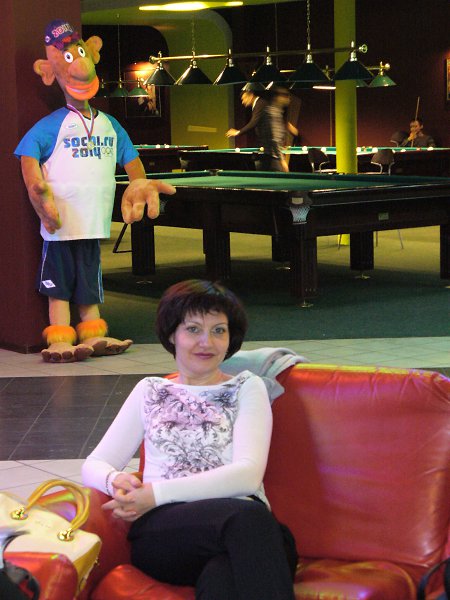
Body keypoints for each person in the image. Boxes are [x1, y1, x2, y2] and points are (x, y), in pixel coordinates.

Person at [82, 279, 298, 599]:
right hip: (167, 534)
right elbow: (94, 464)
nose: (206, 342)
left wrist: (155, 493)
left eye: (218, 330)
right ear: (172, 334)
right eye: (193, 329)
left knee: (225, 576)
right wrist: (114, 480)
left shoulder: (246, 387)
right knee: (256, 525)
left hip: (241, 528)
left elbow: (248, 476)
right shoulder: (151, 390)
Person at [14, 20, 176, 363]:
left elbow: (130, 160)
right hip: (60, 224)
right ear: (51, 73)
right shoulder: (52, 125)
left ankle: (93, 333)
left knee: (90, 279)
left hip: (93, 221)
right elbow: (28, 155)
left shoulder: (109, 124)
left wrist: (139, 184)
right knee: (58, 283)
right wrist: (37, 192)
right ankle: (59, 337)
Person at [226, 83, 298, 172]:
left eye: (244, 98)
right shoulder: (268, 108)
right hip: (270, 155)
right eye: (286, 96)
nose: (243, 102)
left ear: (251, 95)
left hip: (270, 155)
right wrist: (281, 157)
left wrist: (238, 132)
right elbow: (272, 135)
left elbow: (257, 124)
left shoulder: (262, 104)